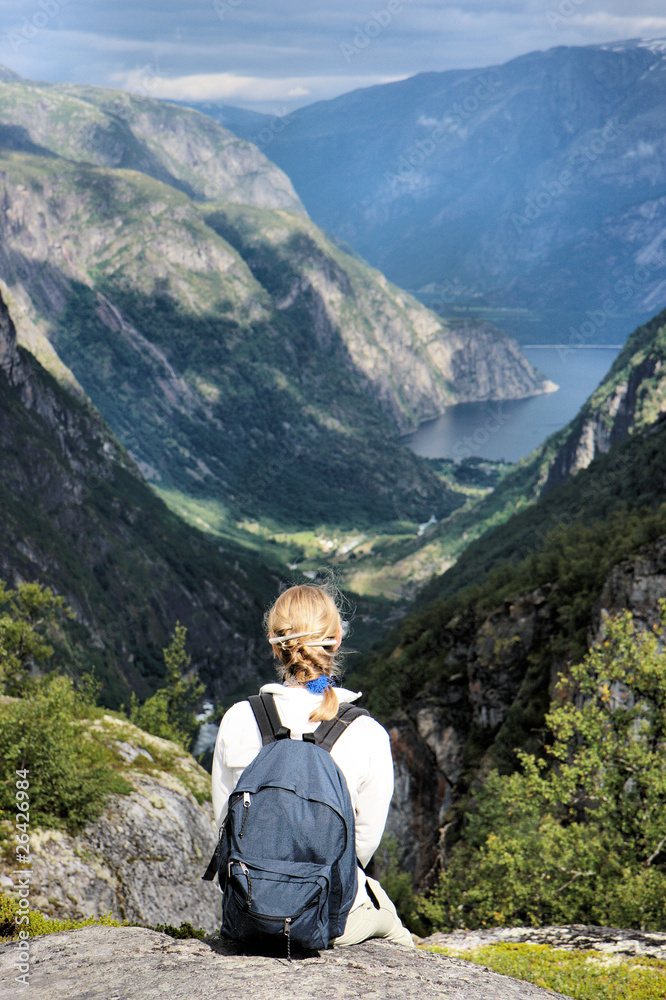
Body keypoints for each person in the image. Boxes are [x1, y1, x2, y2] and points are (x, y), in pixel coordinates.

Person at [211, 583, 414, 948]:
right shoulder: (366, 732)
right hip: (330, 916)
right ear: (336, 640)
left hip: (251, 908)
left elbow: (225, 822)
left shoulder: (239, 719)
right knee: (399, 936)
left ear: (275, 644)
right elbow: (362, 845)